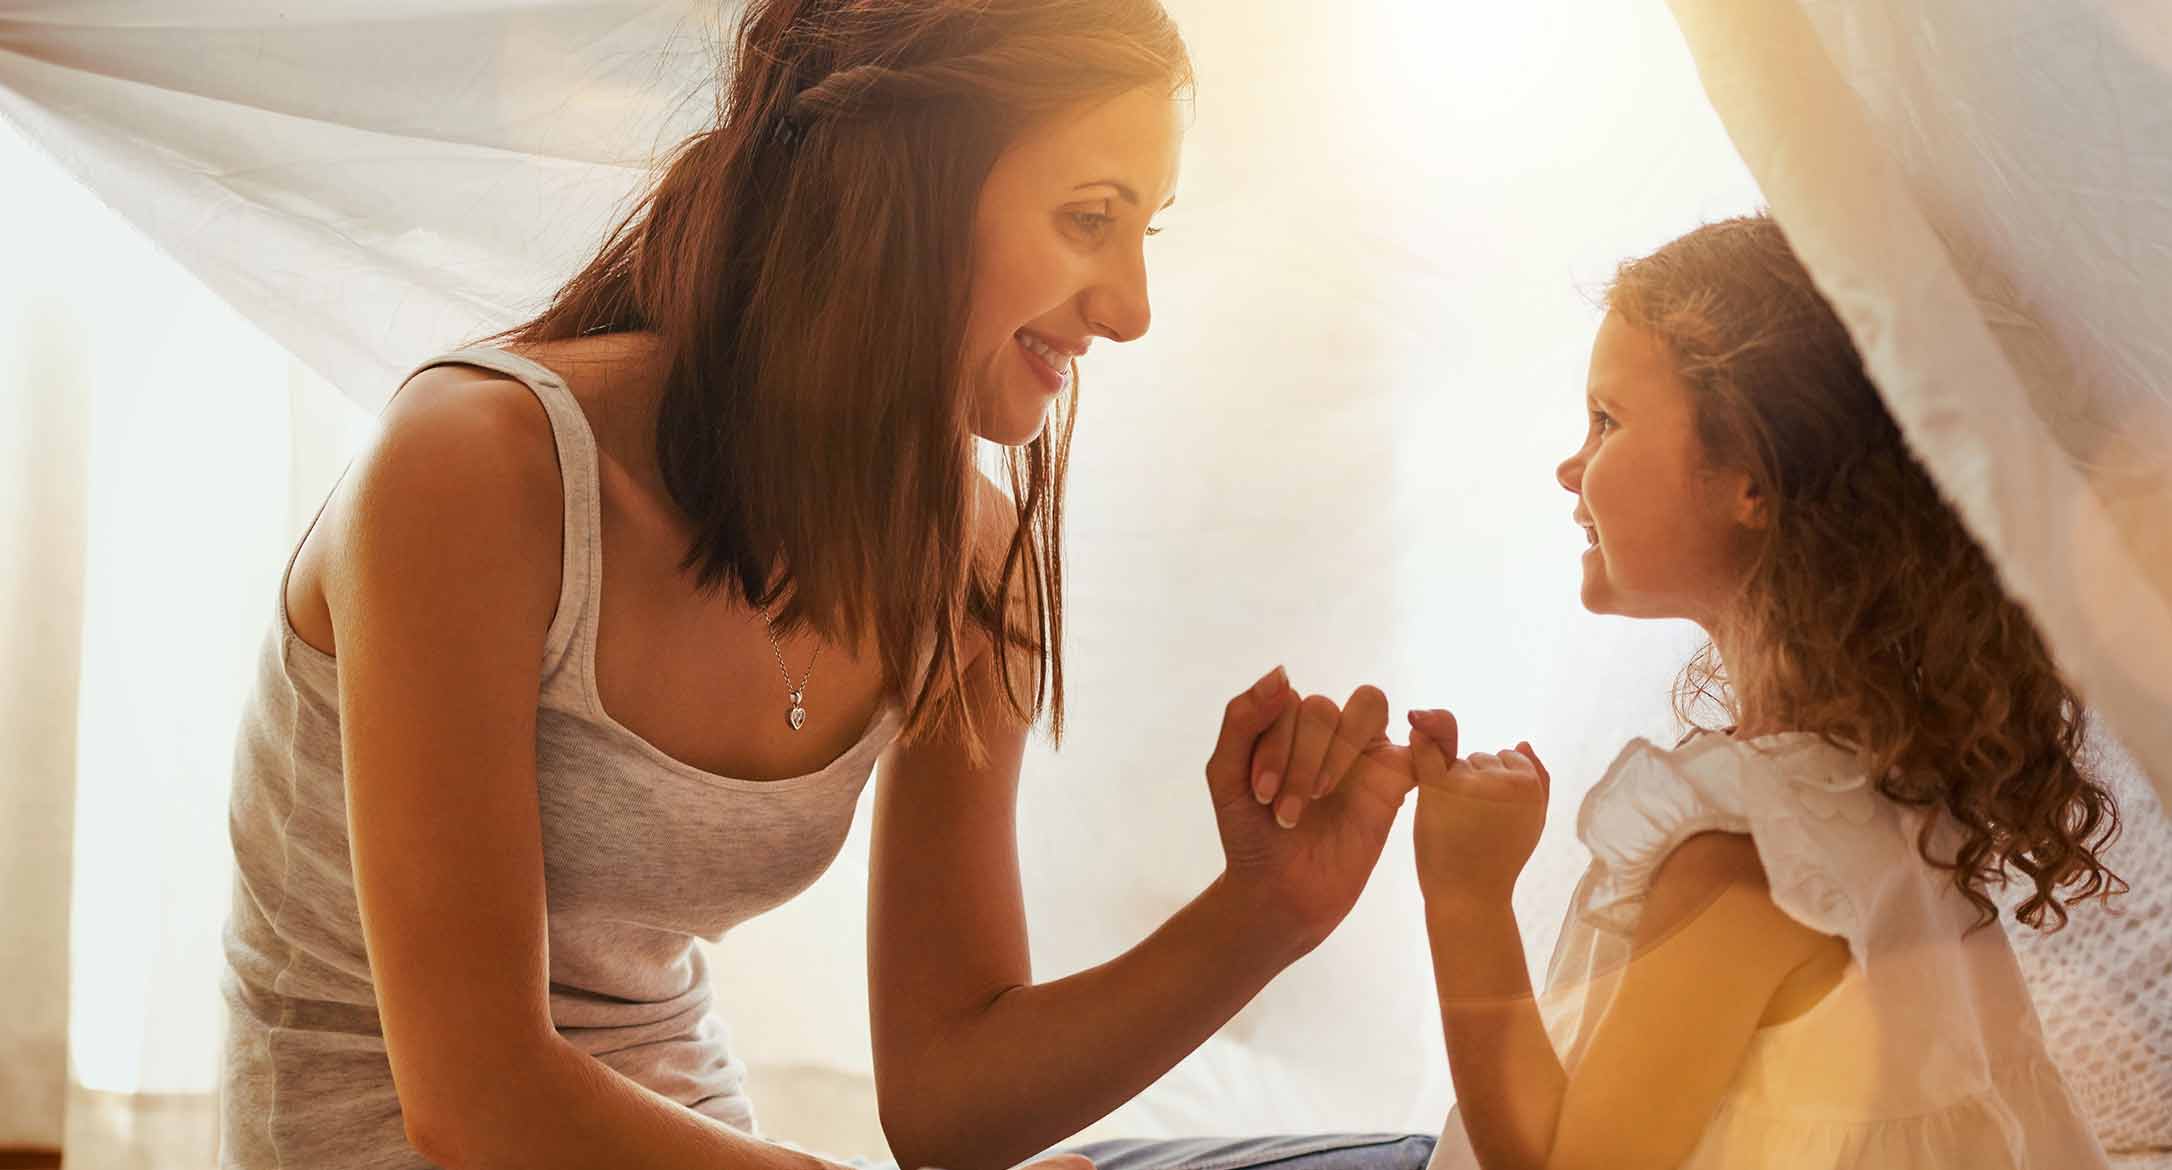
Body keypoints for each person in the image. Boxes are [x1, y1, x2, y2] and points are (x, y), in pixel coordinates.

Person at [220, 2, 1427, 1169]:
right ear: (903, 186)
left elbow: (950, 1104)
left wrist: (1263, 918)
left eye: (1143, 233)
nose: (1131, 311)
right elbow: (473, 1097)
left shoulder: (971, 570)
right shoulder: (477, 470)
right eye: (1087, 218)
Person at [1405, 214, 2122, 1169]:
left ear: (1751, 477)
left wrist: (1465, 897)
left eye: (1607, 421)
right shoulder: (1882, 784)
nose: (1571, 467)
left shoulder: (1743, 864)